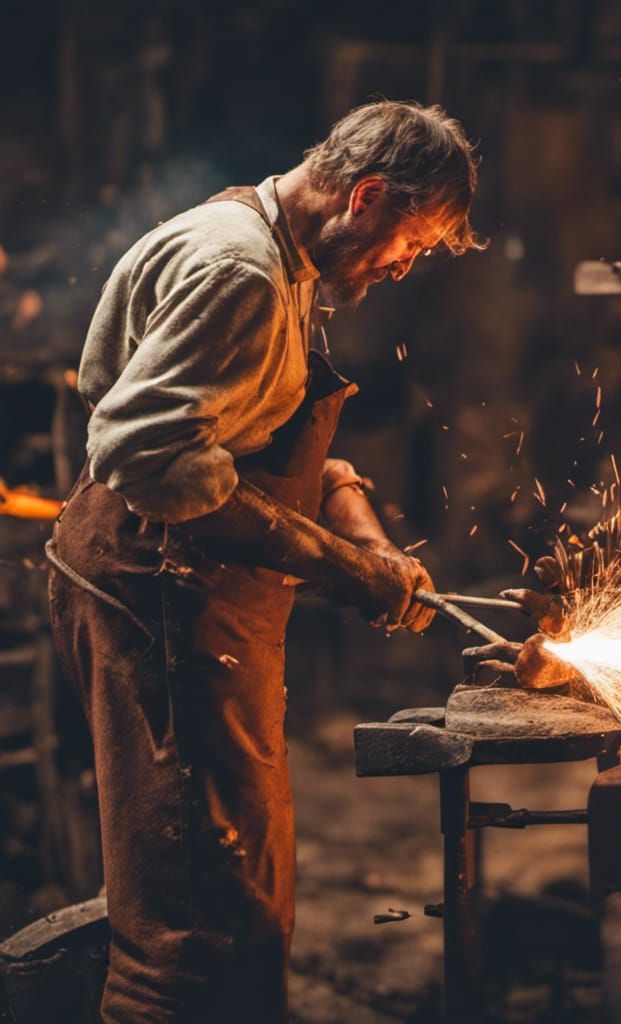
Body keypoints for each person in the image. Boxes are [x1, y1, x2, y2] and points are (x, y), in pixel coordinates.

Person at [47, 99, 483, 1022]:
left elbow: (244, 444)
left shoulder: (275, 255)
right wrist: (338, 564)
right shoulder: (241, 271)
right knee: (192, 923)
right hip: (158, 591)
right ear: (366, 196)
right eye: (411, 242)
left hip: (198, 595)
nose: (403, 267)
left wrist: (365, 539)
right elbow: (143, 456)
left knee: (239, 881)